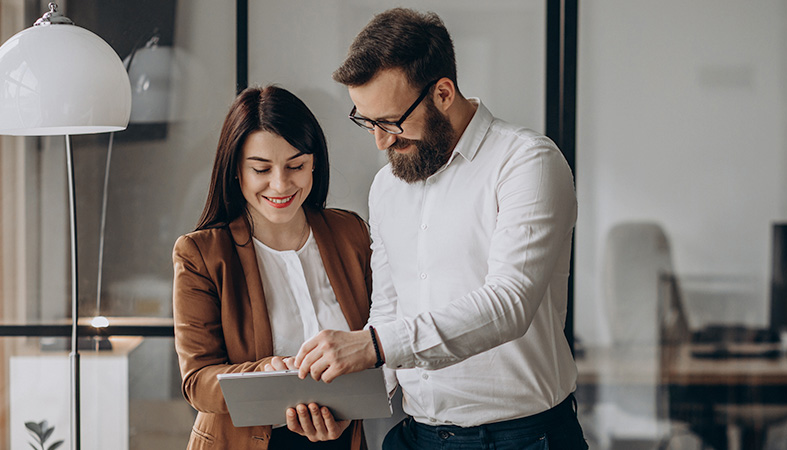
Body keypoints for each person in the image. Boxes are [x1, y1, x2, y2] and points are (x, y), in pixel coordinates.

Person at [294, 8, 588, 450]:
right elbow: (390, 309)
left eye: (392, 121)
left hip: (523, 438)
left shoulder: (527, 163)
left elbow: (509, 303)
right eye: (367, 121)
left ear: (444, 93)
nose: (381, 141)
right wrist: (349, 406)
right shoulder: (387, 187)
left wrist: (373, 345)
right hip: (416, 434)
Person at [172, 85, 371, 449]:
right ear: (236, 171)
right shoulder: (201, 254)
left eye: (295, 166)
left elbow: (382, 338)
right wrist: (262, 373)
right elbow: (197, 382)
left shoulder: (350, 233)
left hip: (343, 439)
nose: (280, 184)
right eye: (261, 169)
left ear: (315, 163)